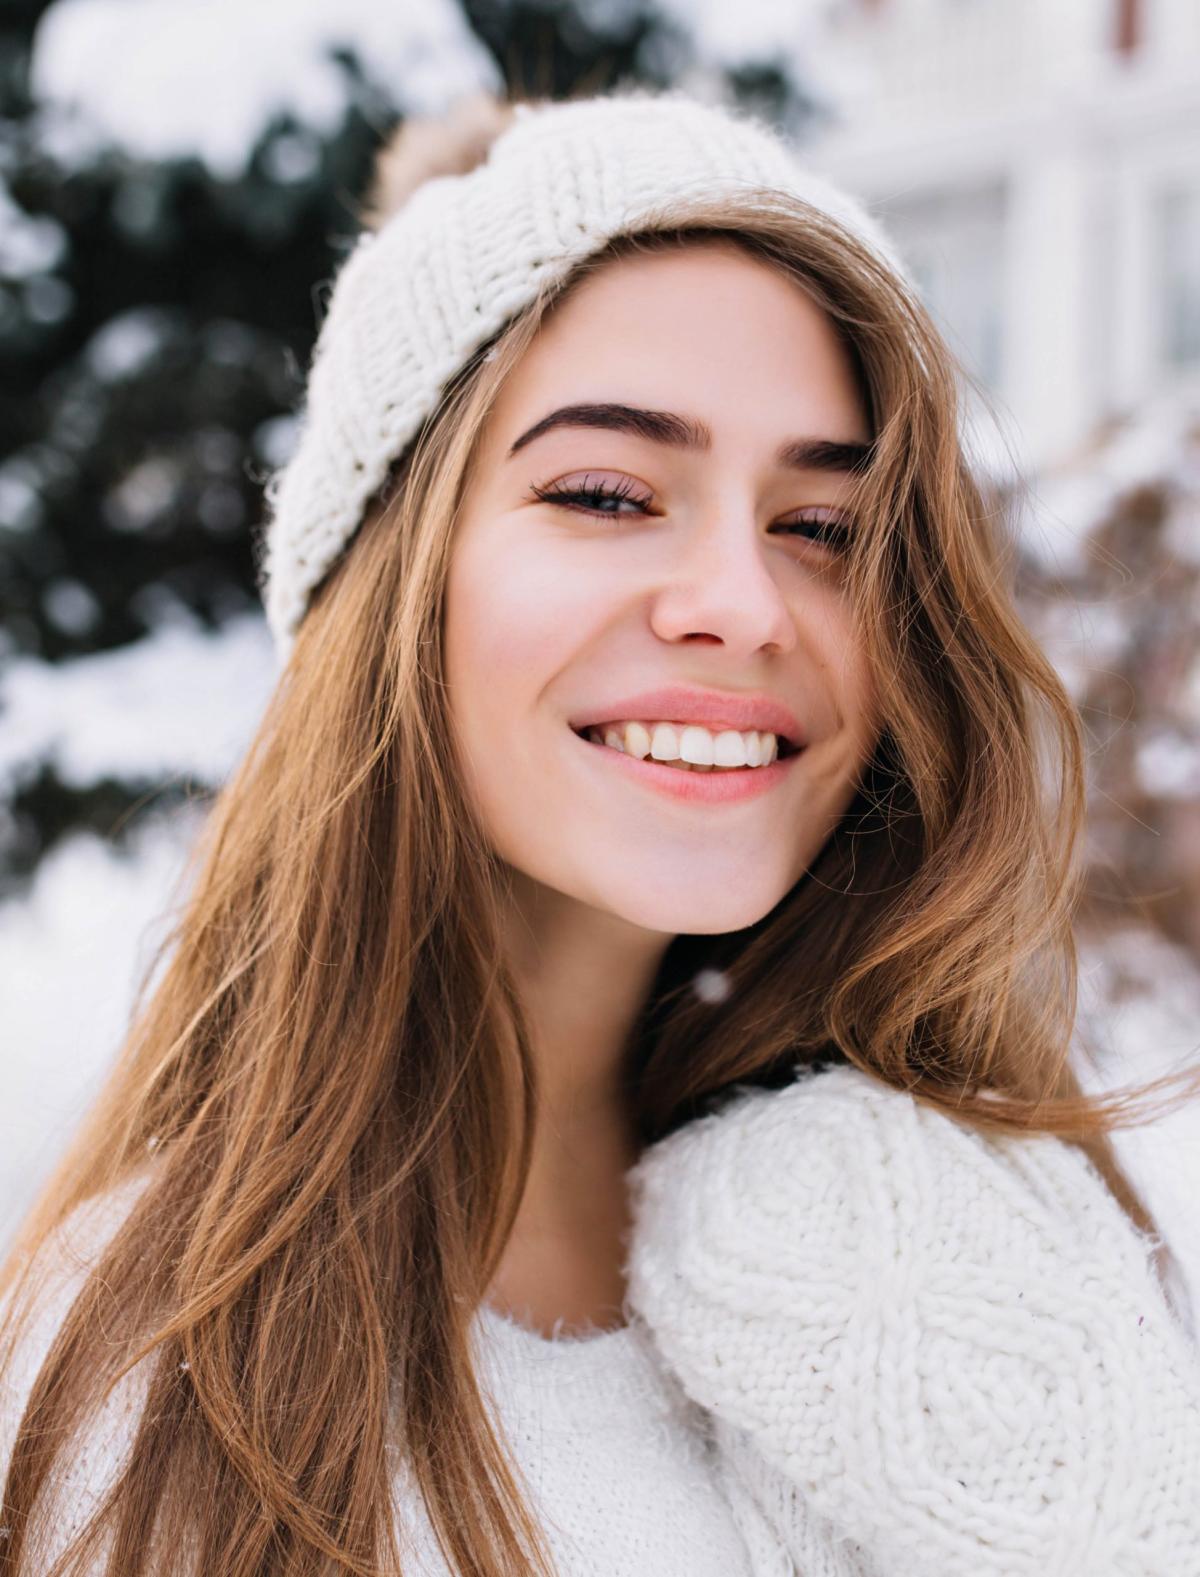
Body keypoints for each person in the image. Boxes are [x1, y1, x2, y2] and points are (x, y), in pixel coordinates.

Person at [1, 86, 1198, 1577]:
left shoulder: (958, 1246)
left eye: (822, 528)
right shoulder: (152, 1382)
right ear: (394, 584)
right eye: (611, 493)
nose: (744, 605)